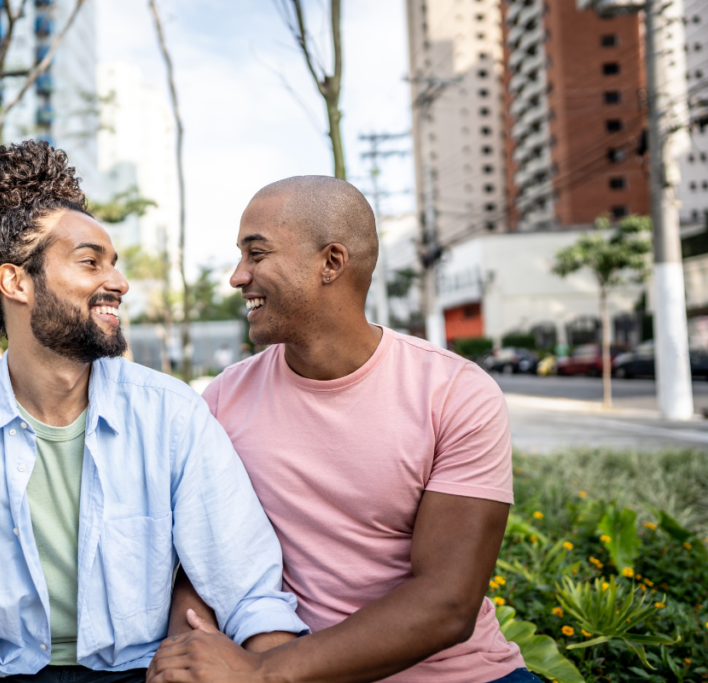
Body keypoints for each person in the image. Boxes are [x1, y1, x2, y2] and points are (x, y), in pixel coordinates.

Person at [0, 142, 306, 683]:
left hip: (138, 672)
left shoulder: (171, 416)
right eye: (90, 262)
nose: (119, 283)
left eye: (115, 264)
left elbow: (248, 592)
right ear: (17, 282)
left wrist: (273, 672)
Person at [147, 176, 532, 683]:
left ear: (331, 262)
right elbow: (201, 560)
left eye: (256, 254)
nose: (238, 277)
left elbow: (448, 602)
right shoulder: (222, 399)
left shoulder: (455, 393)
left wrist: (262, 674)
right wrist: (190, 654)